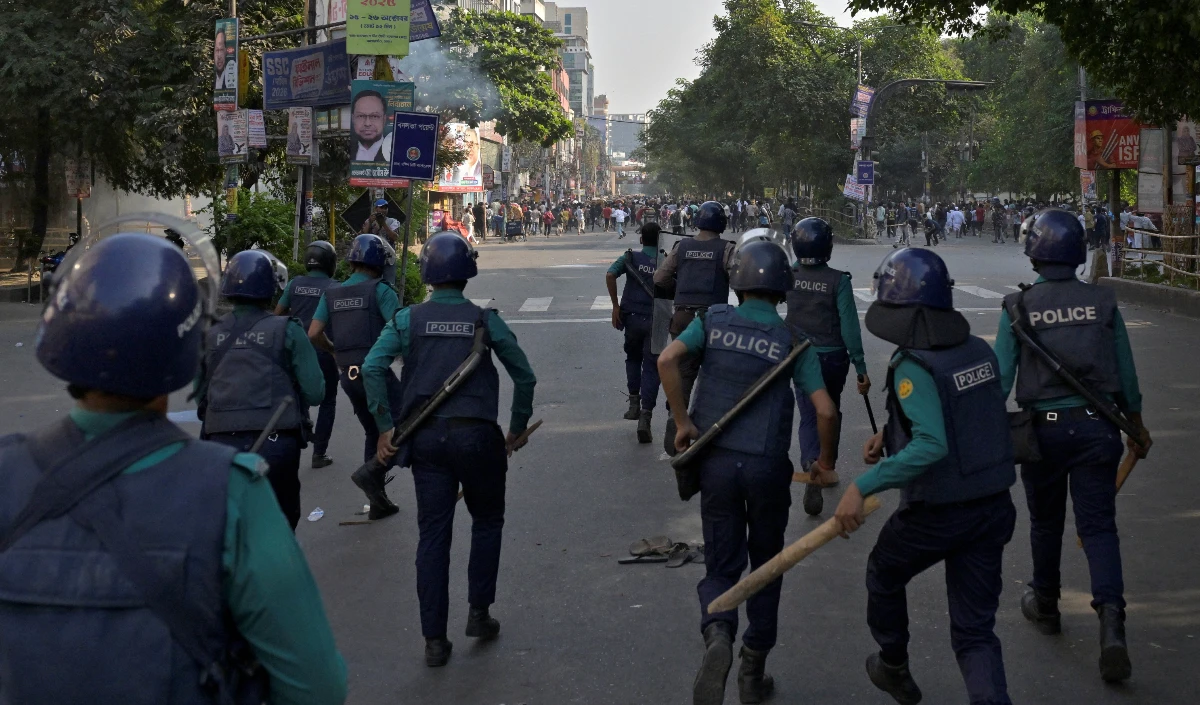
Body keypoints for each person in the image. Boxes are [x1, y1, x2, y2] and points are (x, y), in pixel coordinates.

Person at [3, 232, 346, 704]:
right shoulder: (233, 492)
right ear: (179, 351)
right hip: (275, 444)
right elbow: (318, 687)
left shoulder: (7, 471)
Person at [834, 247, 1018, 705]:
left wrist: (861, 485)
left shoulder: (913, 364)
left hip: (938, 513)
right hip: (993, 507)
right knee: (975, 632)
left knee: (883, 572)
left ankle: (893, 664)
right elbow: (966, 417)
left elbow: (933, 443)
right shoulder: (979, 349)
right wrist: (890, 434)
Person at [658, 239, 839, 705]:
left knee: (722, 564)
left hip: (716, 463)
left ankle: (718, 632)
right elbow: (825, 411)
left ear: (736, 282)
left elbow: (666, 360)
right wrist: (824, 464)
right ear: (783, 289)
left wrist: (682, 422)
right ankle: (753, 669)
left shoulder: (713, 321)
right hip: (766, 470)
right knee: (766, 565)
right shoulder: (796, 343)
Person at [994, 209, 1151, 684]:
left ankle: (1045, 604)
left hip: (1041, 432)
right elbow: (1125, 374)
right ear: (1079, 253)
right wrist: (1136, 426)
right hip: (1097, 429)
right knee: (1099, 528)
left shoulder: (1016, 308)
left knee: (1045, 522)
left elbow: (999, 380)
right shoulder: (1103, 303)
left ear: (1035, 254)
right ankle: (1112, 626)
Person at [367, 233, 537, 668]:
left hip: (426, 443)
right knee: (487, 522)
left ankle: (434, 640)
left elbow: (372, 367)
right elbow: (525, 377)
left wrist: (385, 427)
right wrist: (515, 430)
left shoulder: (407, 320)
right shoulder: (485, 321)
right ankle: (479, 613)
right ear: (467, 273)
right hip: (479, 440)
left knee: (433, 536)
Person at [193, 249, 322, 532]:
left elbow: (199, 391)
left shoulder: (208, 334)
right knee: (280, 525)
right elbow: (315, 393)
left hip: (219, 446)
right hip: (276, 445)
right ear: (272, 288)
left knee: (230, 526)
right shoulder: (288, 330)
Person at [308, 234, 405, 519]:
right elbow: (400, 328)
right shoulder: (381, 290)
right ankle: (372, 473)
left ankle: (378, 500)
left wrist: (334, 351)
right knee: (406, 424)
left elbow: (313, 333)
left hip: (348, 379)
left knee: (374, 431)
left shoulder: (333, 293)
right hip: (375, 375)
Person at [786, 218, 869, 515]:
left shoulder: (789, 275)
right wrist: (860, 366)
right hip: (833, 357)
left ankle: (811, 464)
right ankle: (826, 465)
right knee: (831, 409)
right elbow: (849, 328)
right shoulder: (838, 280)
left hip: (798, 355)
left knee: (809, 414)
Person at [653, 201, 736, 456]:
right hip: (715, 322)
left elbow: (659, 279)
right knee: (714, 376)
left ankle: (675, 420)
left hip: (683, 318)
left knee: (684, 374)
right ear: (721, 223)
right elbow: (740, 279)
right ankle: (711, 430)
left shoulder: (681, 247)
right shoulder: (727, 249)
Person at [276, 240, 341, 469]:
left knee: (298, 395)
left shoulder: (294, 284)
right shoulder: (335, 287)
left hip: (294, 352)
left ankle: (302, 428)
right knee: (328, 401)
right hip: (324, 350)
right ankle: (319, 453)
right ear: (331, 263)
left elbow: (278, 314)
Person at [605, 222, 662, 443]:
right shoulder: (666, 260)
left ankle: (633, 404)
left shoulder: (631, 258)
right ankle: (646, 416)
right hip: (656, 321)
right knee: (652, 366)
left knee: (633, 359)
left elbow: (610, 274)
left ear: (641, 240)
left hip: (633, 319)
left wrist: (615, 306)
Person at [351, 90, 391, 163]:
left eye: (374, 116)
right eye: (361, 116)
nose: (367, 123)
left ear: (384, 119)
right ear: (353, 119)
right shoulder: (344, 150)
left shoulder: (395, 151)